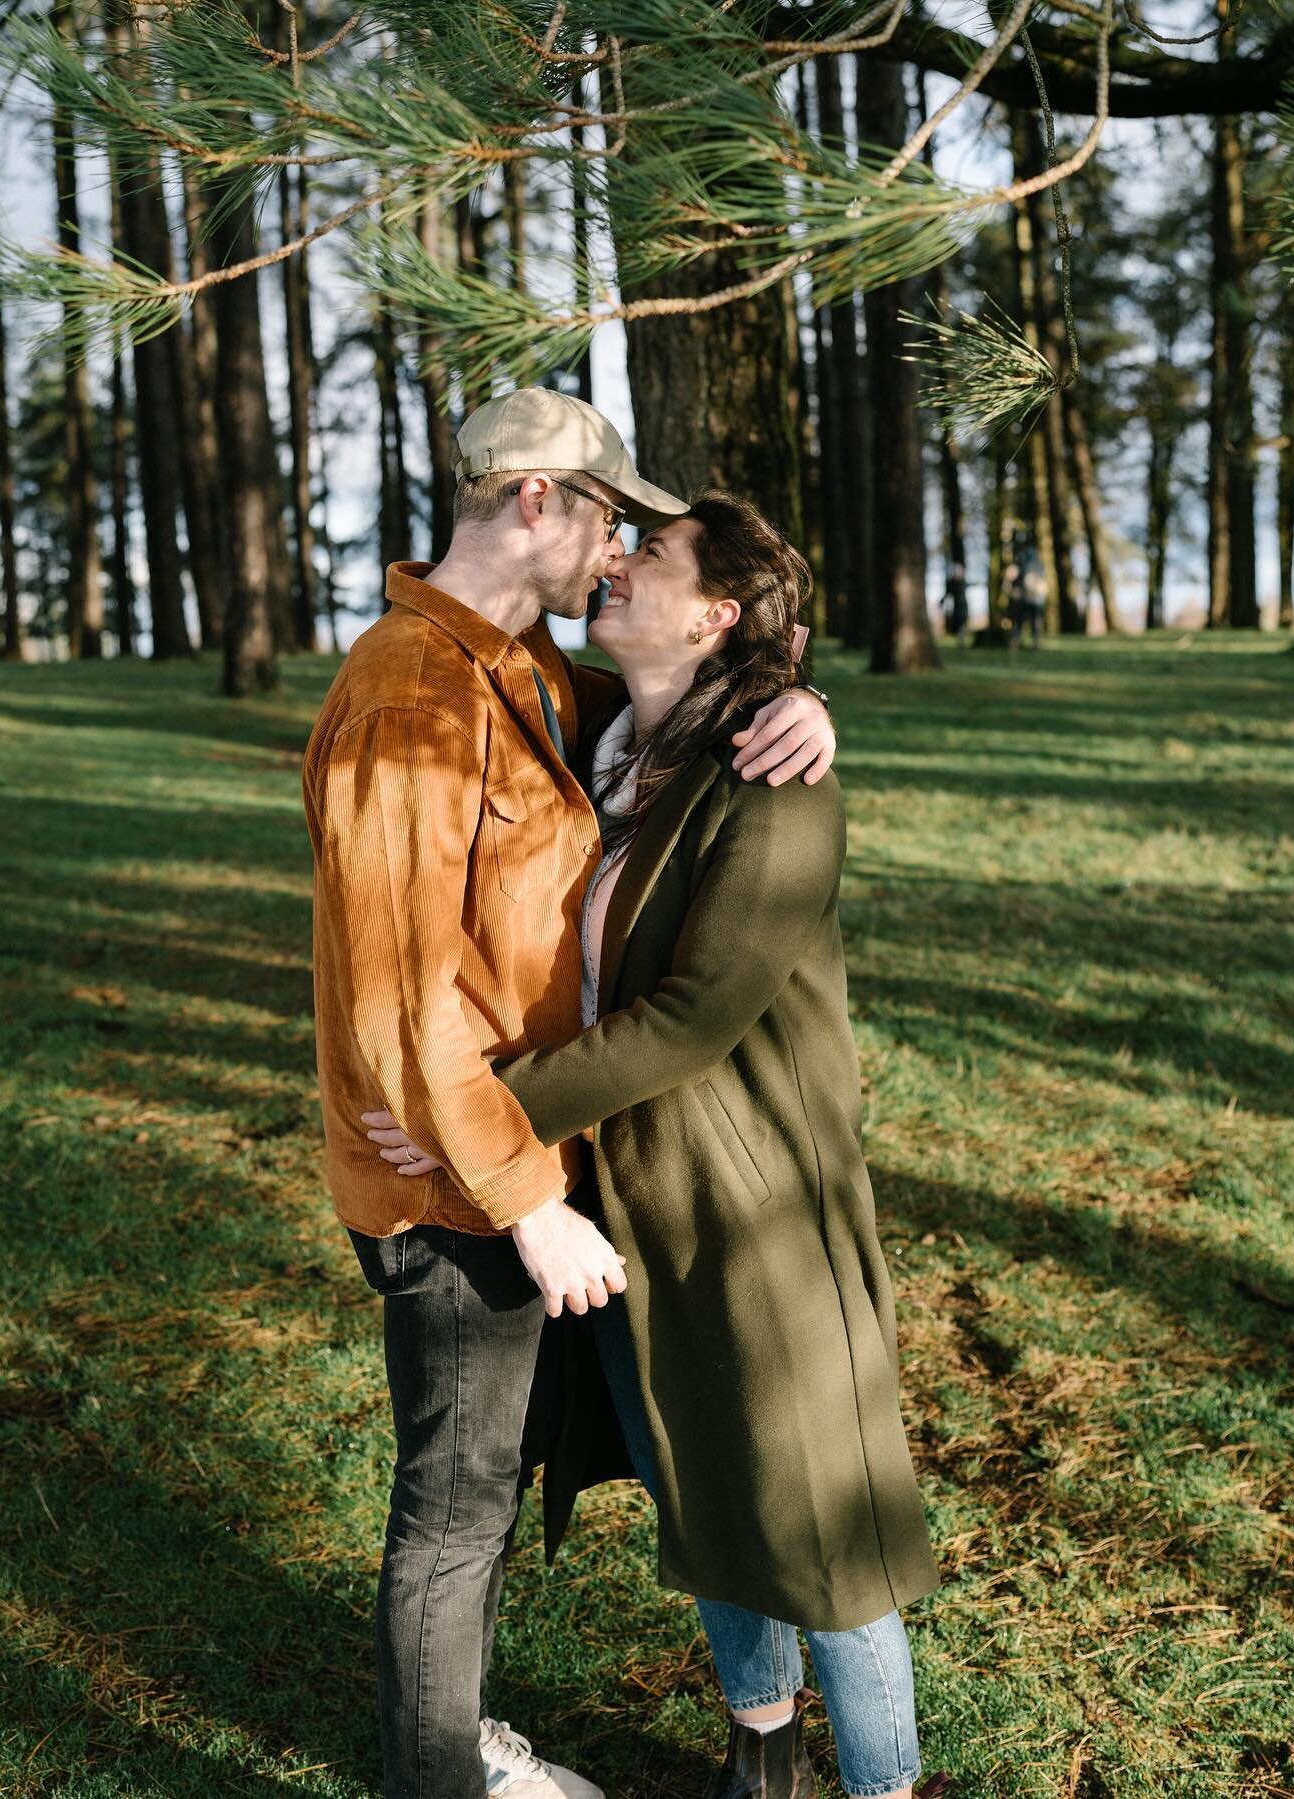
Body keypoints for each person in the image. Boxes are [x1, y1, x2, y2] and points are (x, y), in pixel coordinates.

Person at [365, 492, 944, 1799]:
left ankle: (886, 1788)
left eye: (654, 555)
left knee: (816, 1530)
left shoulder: (775, 784)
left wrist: (480, 1106)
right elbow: (470, 652)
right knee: (704, 1493)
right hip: (627, 1200)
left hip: (756, 1209)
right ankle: (761, 1758)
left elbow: (689, 1019)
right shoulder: (600, 727)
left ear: (718, 614)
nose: (615, 562)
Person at [301, 388, 836, 1799]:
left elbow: (678, 698)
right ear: (536, 497)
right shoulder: (413, 691)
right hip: (455, 1178)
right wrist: (529, 1203)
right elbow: (404, 995)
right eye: (606, 514)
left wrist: (794, 699)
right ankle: (439, 1780)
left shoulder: (521, 669)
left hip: (500, 1148)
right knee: (455, 1503)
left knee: (471, 1491)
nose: (616, 549)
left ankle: (454, 1743)